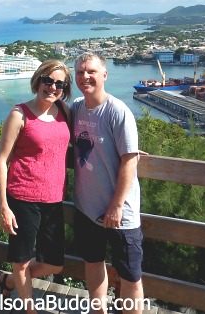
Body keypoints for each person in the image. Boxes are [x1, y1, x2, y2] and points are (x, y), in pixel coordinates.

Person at [0, 59, 72, 314]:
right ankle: (30, 309)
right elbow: (2, 159)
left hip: (53, 199)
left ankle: (6, 281)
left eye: (59, 84)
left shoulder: (64, 111)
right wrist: (4, 206)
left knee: (54, 264)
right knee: (22, 260)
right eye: (47, 80)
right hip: (23, 197)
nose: (52, 87)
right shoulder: (19, 115)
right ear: (38, 80)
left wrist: (125, 151)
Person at [71, 52, 144, 314]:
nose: (84, 76)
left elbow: (129, 162)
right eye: (79, 72)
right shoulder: (77, 108)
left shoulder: (117, 111)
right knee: (93, 263)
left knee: (130, 276)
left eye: (90, 71)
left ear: (104, 74)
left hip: (119, 213)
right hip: (86, 207)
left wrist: (116, 206)